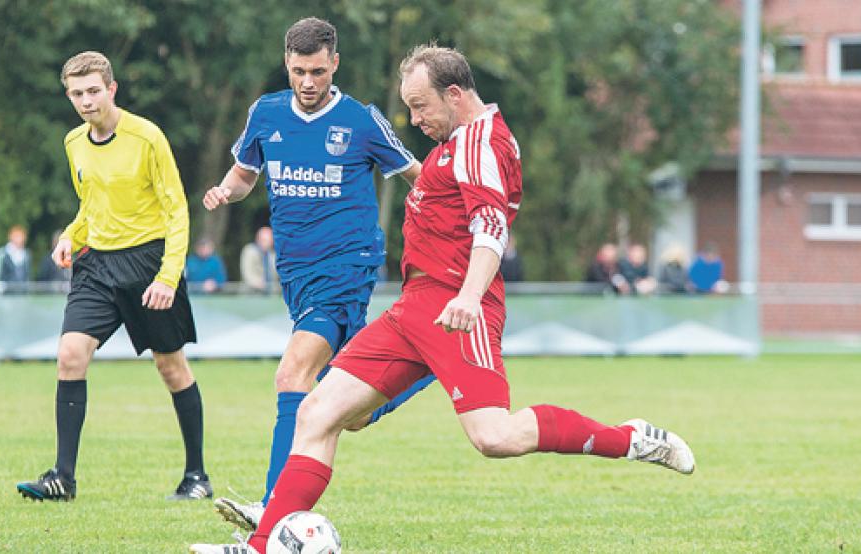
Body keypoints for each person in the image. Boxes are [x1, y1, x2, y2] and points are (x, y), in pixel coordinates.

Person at [190, 44, 695, 554]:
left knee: (494, 437)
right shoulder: (460, 141)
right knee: (317, 412)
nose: (414, 119)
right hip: (415, 306)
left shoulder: (479, 143)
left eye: (420, 105)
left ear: (454, 94)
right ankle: (259, 548)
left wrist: (471, 296)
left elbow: (490, 226)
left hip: (458, 308)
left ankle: (630, 438)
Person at [201, 17, 436, 528]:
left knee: (293, 374)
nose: (307, 83)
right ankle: (428, 361)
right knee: (345, 411)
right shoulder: (265, 114)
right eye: (298, 71)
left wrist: (457, 222)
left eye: (317, 71)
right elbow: (244, 176)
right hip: (296, 273)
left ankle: (272, 506)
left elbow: (418, 177)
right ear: (286, 63)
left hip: (345, 268)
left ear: (334, 64)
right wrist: (224, 191)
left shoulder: (360, 120)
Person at [16, 51, 211, 502]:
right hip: (97, 265)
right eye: (77, 94)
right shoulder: (72, 143)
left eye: (93, 91)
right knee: (70, 354)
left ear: (112, 89)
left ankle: (196, 476)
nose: (86, 101)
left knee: (171, 367)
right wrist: (71, 234)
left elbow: (176, 210)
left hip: (148, 263)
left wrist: (167, 276)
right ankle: (63, 477)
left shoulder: (148, 138)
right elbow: (92, 203)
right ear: (69, 96)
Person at [0, 225, 32, 293]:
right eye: (18, 236)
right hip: (6, 294)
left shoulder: (26, 255)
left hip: (21, 294)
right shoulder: (2, 253)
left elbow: (27, 276)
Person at [238, 226, 278, 294]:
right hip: (250, 294)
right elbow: (247, 273)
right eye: (265, 240)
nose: (268, 243)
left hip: (270, 295)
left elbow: (276, 275)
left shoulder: (273, 255)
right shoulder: (249, 251)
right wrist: (261, 284)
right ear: (258, 239)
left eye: (270, 240)